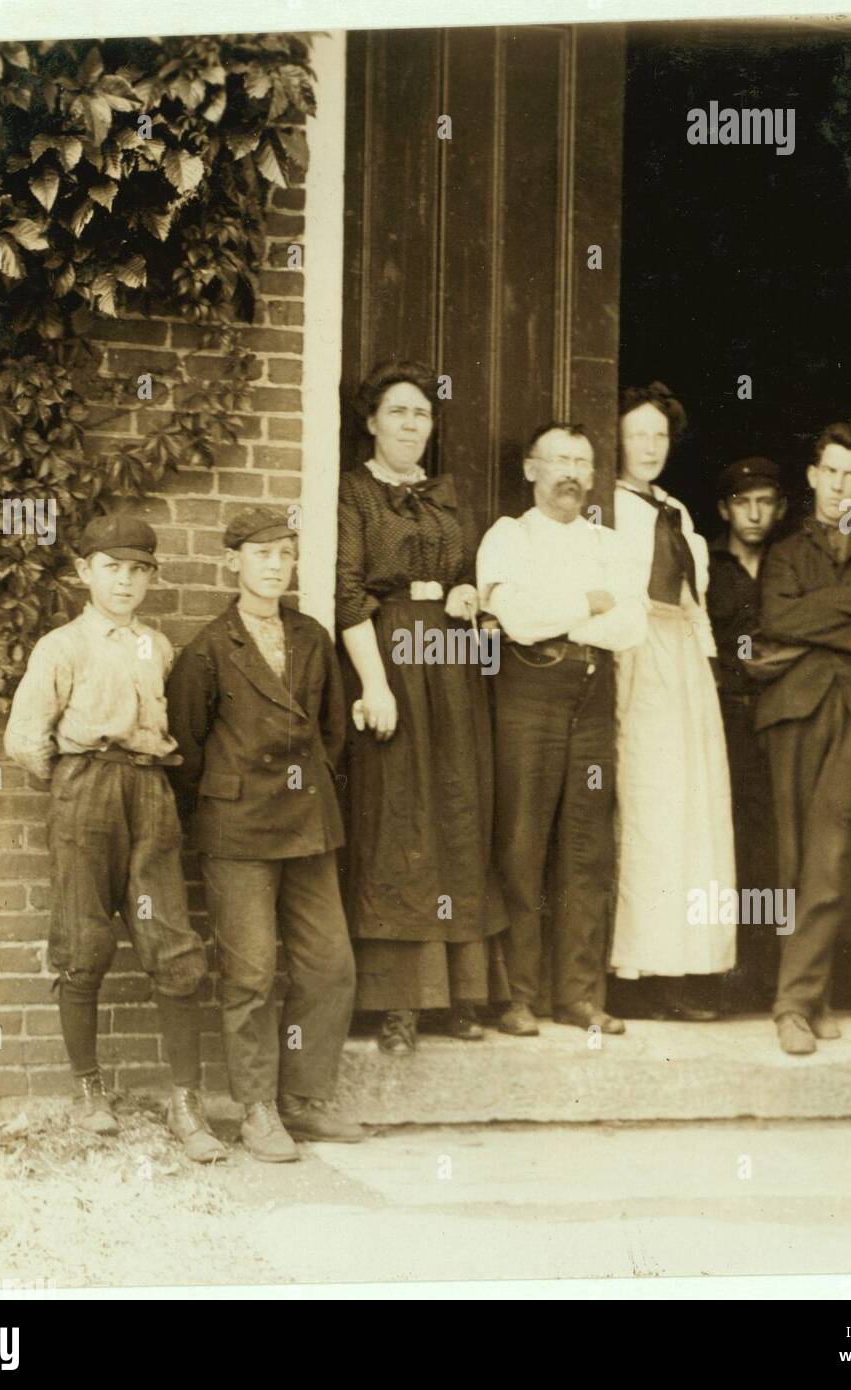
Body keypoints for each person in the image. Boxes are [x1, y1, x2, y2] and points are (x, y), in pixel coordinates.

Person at [3, 513, 225, 1162]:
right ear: (84, 574)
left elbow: (179, 725)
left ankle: (186, 1103)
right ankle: (88, 1090)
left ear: (152, 578)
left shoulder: (159, 647)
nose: (125, 581)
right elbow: (24, 740)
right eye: (112, 569)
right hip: (85, 794)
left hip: (150, 794)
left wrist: (144, 778)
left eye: (138, 571)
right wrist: (75, 781)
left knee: (173, 945)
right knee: (83, 939)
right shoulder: (62, 647)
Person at [166, 508, 364, 1162]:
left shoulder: (311, 638)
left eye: (284, 554)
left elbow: (332, 733)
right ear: (234, 562)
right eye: (261, 555)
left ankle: (304, 1100)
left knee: (329, 965)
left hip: (308, 825)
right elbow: (187, 750)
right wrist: (225, 805)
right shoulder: (208, 649)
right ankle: (256, 1109)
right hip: (238, 831)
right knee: (250, 975)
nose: (275, 566)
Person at [336, 361, 506, 1055]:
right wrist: (374, 685)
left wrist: (466, 596)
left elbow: (463, 575)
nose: (412, 424)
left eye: (422, 414)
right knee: (399, 815)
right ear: (371, 422)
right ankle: (399, 1001)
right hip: (392, 660)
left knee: (458, 807)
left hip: (452, 666)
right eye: (398, 412)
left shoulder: (446, 494)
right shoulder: (353, 493)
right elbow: (348, 593)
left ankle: (460, 992)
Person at [476, 422, 641, 1037]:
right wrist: (586, 605)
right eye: (558, 460)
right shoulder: (508, 536)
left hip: (593, 697)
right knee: (521, 845)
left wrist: (565, 610)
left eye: (582, 462)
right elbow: (515, 619)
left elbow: (630, 626)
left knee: (586, 849)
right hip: (530, 697)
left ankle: (578, 996)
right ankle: (517, 996)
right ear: (530, 469)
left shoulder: (610, 545)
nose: (571, 473)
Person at [756, 423, 851, 1054]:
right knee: (792, 857)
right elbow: (777, 616)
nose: (841, 487)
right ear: (813, 475)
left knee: (832, 855)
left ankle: (790, 1007)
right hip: (793, 710)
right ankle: (813, 995)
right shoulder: (787, 551)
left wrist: (823, 611)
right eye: (831, 473)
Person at [610, 383, 737, 1021]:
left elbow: (697, 603)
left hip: (683, 664)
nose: (650, 447)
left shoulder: (678, 512)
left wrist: (705, 664)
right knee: (645, 813)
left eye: (660, 435)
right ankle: (631, 970)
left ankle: (685, 971)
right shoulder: (606, 508)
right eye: (638, 434)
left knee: (693, 817)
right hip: (632, 657)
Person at [707, 457, 788, 1012]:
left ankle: (769, 975)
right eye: (743, 502)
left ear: (780, 508)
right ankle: (723, 974)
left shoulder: (791, 562)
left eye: (764, 502)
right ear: (724, 509)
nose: (754, 514)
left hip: (781, 719)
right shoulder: (707, 565)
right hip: (726, 717)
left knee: (774, 848)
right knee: (725, 845)